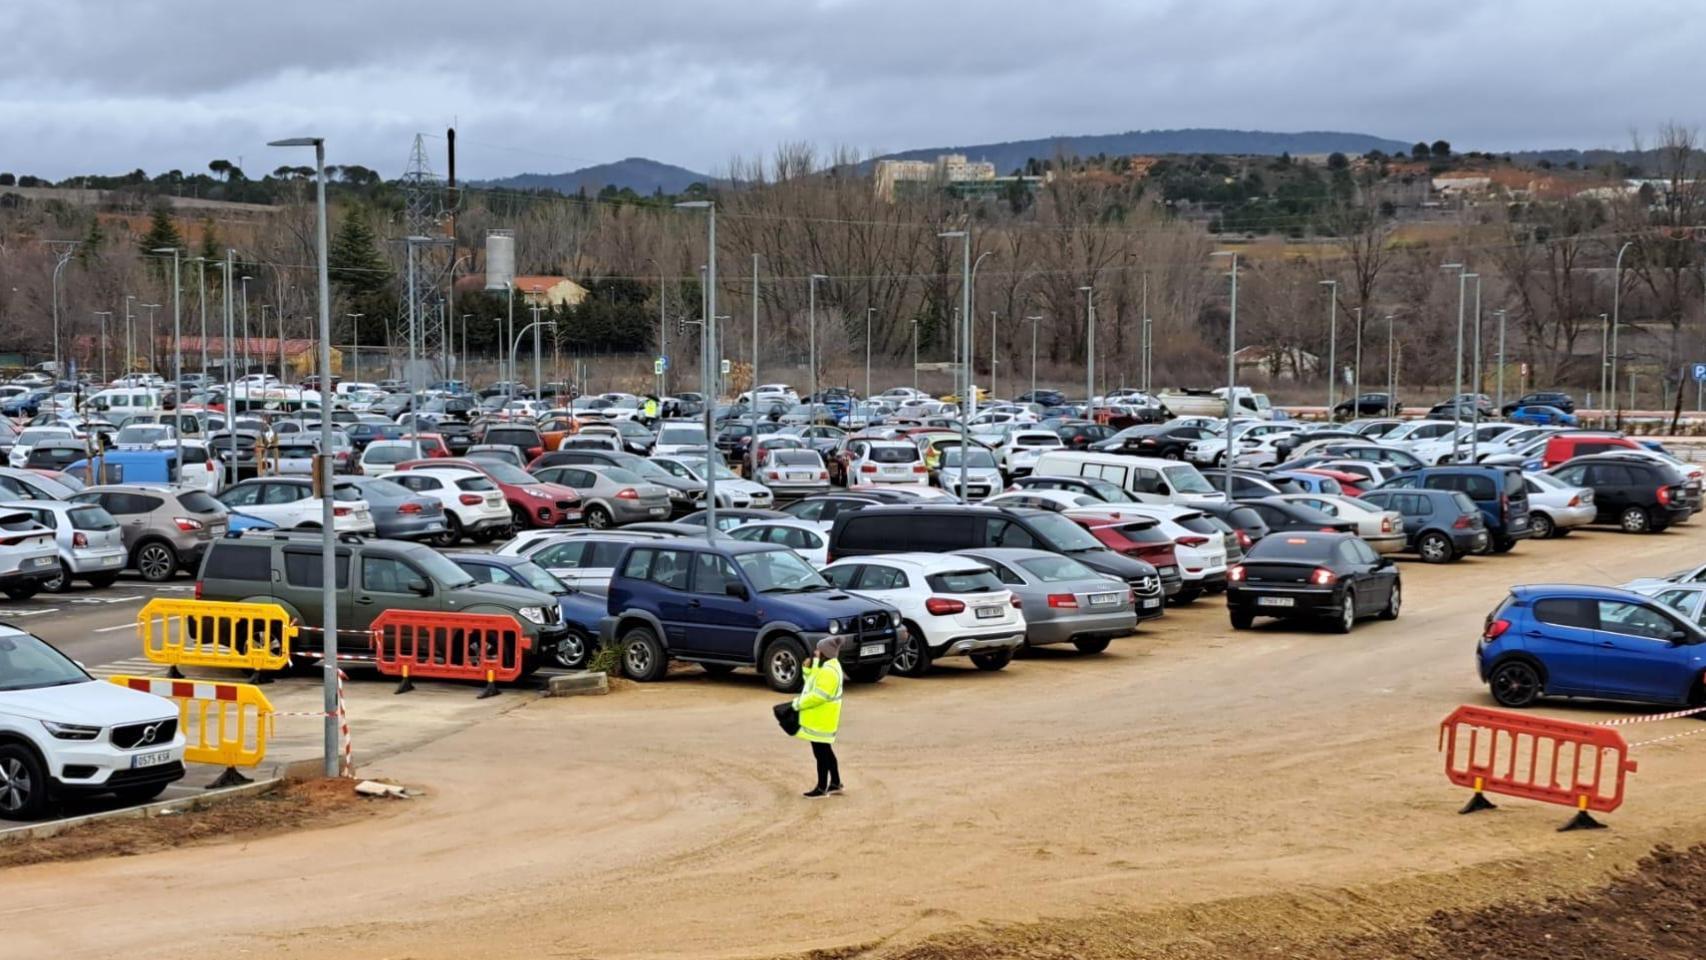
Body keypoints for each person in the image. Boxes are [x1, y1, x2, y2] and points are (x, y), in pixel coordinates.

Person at [794, 636, 845, 798]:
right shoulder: (829, 667)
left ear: (824, 653)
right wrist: (809, 668)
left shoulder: (828, 672)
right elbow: (811, 682)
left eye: (818, 650)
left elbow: (817, 695)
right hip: (822, 717)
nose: (815, 652)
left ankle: (822, 787)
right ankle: (835, 783)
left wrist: (797, 704)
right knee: (826, 751)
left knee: (821, 753)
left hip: (821, 718)